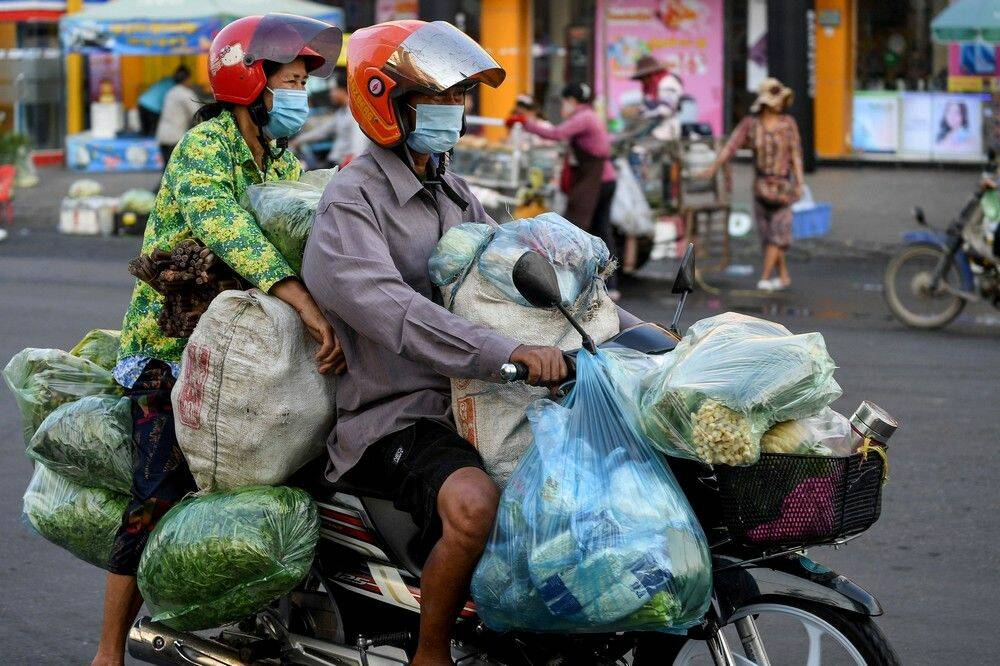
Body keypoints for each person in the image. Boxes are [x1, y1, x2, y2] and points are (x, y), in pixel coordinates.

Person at [302, 20, 639, 666]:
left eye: (460, 98)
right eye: (440, 98)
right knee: (475, 504)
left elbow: (515, 276)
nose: (455, 113)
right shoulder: (351, 204)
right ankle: (433, 654)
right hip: (396, 419)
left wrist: (620, 328)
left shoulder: (456, 194)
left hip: (480, 406)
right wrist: (506, 354)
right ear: (388, 103)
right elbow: (397, 314)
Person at [90, 15, 345, 666]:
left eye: (303, 84)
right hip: (170, 351)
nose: (301, 96)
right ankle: (108, 648)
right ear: (250, 82)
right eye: (290, 82)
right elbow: (230, 230)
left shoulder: (280, 155)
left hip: (244, 346)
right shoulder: (205, 147)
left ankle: (257, 620)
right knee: (159, 489)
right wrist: (304, 303)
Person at [507, 82, 621, 298]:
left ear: (570, 101)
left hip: (597, 182)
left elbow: (558, 134)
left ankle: (582, 281)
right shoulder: (590, 115)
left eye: (564, 102)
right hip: (604, 179)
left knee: (578, 229)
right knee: (601, 229)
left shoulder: (583, 117)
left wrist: (525, 123)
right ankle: (607, 284)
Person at [700, 77, 805, 291]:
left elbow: (796, 155)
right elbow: (731, 146)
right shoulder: (751, 123)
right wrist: (713, 168)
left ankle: (765, 278)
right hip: (760, 186)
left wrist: (800, 183)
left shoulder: (788, 124)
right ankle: (783, 276)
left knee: (779, 232)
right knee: (768, 235)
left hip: (784, 186)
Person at [289, 70, 368, 168]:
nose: (331, 94)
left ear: (344, 90)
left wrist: (353, 165)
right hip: (334, 162)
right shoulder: (341, 113)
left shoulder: (354, 114)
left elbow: (358, 145)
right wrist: (297, 141)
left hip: (344, 166)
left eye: (333, 90)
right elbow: (321, 132)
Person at [154, 65, 203, 166]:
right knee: (176, 170)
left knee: (167, 170)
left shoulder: (170, 92)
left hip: (162, 136)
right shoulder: (186, 93)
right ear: (187, 79)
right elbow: (197, 114)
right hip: (175, 138)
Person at [136, 71, 178, 137]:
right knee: (153, 131)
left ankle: (141, 144)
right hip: (154, 107)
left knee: (144, 129)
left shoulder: (166, 80)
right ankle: (150, 144)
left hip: (142, 102)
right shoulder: (175, 87)